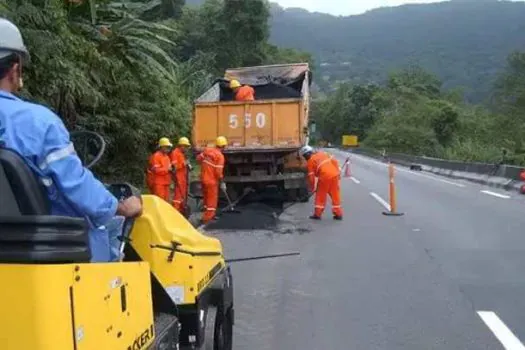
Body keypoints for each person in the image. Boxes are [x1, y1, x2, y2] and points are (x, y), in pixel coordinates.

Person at [0, 18, 142, 262]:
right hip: (48, 246)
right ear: (15, 67)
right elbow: (75, 185)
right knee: (110, 228)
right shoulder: (37, 123)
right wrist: (119, 206)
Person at [299, 145, 343, 221]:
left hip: (324, 177)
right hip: (334, 175)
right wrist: (338, 173)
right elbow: (335, 162)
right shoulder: (323, 153)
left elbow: (311, 177)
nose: (305, 158)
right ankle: (338, 214)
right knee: (335, 195)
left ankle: (317, 214)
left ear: (307, 154)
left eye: (305, 156)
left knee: (320, 196)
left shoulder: (310, 161)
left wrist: (312, 188)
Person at [196, 136, 227, 224]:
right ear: (223, 146)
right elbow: (218, 172)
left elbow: (198, 159)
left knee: (206, 197)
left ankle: (206, 214)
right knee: (212, 200)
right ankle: (207, 218)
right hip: (211, 181)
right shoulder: (220, 156)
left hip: (203, 179)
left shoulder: (207, 151)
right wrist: (222, 182)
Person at [146, 137, 172, 202]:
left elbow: (169, 168)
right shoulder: (156, 156)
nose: (168, 148)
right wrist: (167, 169)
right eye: (166, 147)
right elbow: (156, 170)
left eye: (168, 147)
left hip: (166, 182)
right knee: (159, 201)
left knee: (166, 202)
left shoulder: (166, 157)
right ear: (161, 147)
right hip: (158, 183)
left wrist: (171, 169)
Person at [170, 136, 192, 213]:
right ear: (181, 145)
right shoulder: (175, 153)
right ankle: (176, 211)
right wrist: (184, 164)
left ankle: (181, 210)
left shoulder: (181, 154)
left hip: (183, 177)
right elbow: (174, 167)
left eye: (187, 147)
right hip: (178, 177)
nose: (186, 148)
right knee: (178, 196)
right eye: (185, 146)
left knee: (183, 195)